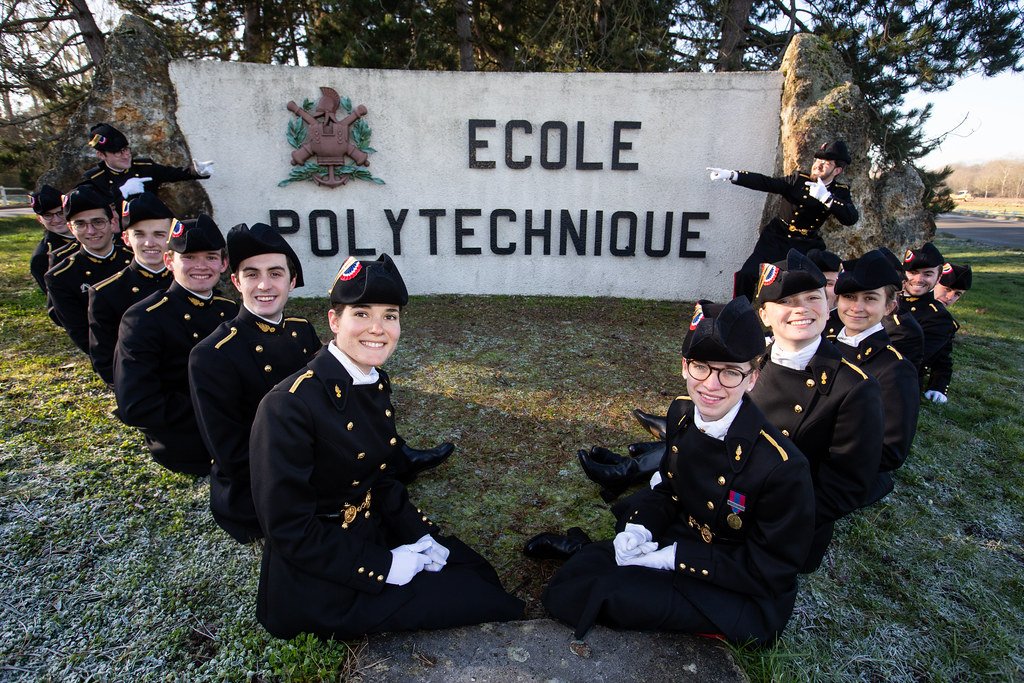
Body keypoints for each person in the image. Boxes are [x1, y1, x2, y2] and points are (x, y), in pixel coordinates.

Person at [249, 254, 523, 640]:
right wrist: (385, 565)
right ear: (334, 321)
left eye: (390, 315)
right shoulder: (288, 405)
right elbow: (289, 530)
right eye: (361, 314)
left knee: (474, 570)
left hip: (368, 532)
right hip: (321, 580)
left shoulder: (372, 381)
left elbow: (380, 478)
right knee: (489, 602)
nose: (378, 329)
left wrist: (422, 535)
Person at [542, 297, 814, 645]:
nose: (711, 385)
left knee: (600, 593)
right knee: (580, 574)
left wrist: (674, 558)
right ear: (685, 366)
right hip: (683, 539)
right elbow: (670, 489)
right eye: (701, 367)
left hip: (737, 587)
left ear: (752, 379)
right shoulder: (683, 413)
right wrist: (641, 529)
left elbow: (772, 569)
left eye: (730, 372)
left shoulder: (782, 466)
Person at [748, 250, 882, 571]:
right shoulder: (748, 364)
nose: (802, 310)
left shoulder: (854, 388)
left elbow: (845, 486)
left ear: (827, 305)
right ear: (765, 315)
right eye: (788, 301)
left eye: (812, 298)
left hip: (788, 528)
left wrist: (776, 519)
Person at [113, 215, 237, 476]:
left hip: (236, 435)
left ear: (224, 264)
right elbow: (137, 406)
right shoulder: (143, 318)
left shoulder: (229, 310)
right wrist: (217, 413)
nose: (201, 266)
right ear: (169, 261)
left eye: (211, 257)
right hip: (189, 446)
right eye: (189, 257)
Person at [708, 141, 858, 300]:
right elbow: (767, 183)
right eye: (817, 160)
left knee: (815, 281)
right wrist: (733, 175)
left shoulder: (839, 192)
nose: (818, 165)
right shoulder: (799, 179)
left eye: (826, 163)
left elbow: (850, 218)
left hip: (807, 243)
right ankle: (739, 311)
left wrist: (827, 198)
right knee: (748, 274)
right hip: (777, 237)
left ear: (837, 170)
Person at [828, 250, 920, 505]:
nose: (857, 307)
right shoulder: (826, 347)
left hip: (843, 475)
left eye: (870, 298)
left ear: (889, 306)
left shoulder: (894, 369)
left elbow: (891, 450)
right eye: (849, 297)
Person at [88, 192, 174, 386]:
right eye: (139, 234)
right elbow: (106, 361)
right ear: (126, 238)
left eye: (159, 234)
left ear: (171, 238)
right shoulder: (106, 293)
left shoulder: (191, 281)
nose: (149, 243)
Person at [44, 186, 133, 353]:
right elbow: (83, 334)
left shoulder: (135, 258)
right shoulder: (61, 276)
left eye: (98, 222)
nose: (91, 231)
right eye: (80, 224)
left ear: (112, 222)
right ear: (70, 228)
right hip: (114, 355)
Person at [80, 123, 212, 206]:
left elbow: (173, 173)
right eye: (117, 152)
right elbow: (94, 209)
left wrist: (197, 171)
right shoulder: (95, 179)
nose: (126, 155)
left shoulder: (144, 167)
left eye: (126, 149)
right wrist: (121, 192)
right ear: (101, 155)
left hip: (153, 226)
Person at [898, 243, 959, 404]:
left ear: (938, 278)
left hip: (898, 383)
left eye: (927, 274)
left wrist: (938, 385)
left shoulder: (939, 318)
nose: (918, 279)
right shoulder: (888, 298)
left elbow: (913, 358)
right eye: (913, 272)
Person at [28, 185, 75, 295]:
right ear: (39, 219)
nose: (56, 220)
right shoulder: (42, 257)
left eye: (60, 213)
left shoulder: (92, 235)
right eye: (48, 215)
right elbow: (56, 300)